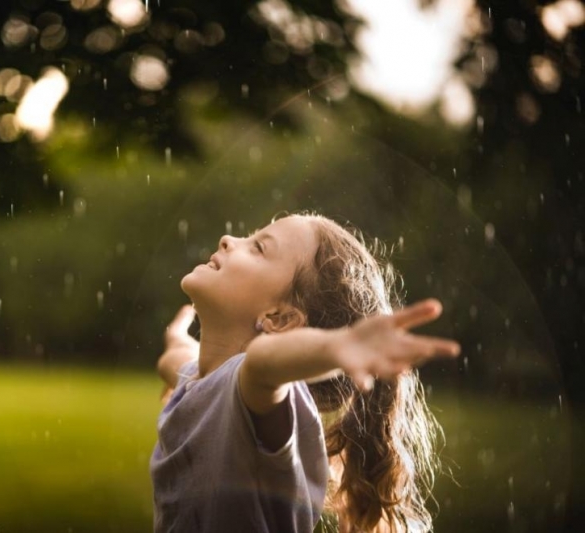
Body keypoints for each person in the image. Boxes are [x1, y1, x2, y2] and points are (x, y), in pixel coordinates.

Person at [149, 212, 461, 533]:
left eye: (258, 248)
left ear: (279, 319)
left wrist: (337, 346)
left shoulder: (256, 390)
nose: (229, 240)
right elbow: (174, 359)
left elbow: (262, 363)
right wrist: (176, 334)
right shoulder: (198, 378)